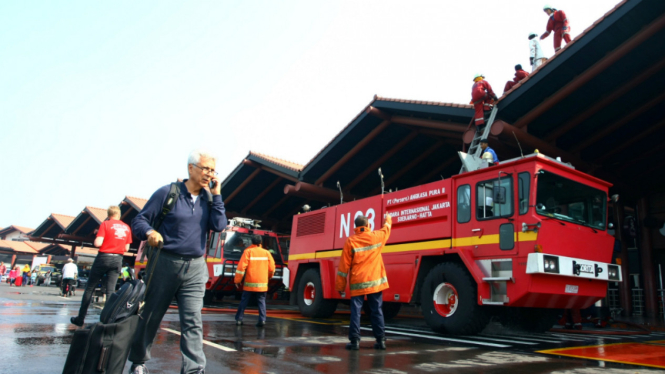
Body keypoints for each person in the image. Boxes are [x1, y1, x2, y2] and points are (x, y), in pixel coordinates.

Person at [129, 149, 227, 374]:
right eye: (206, 169)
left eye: (213, 170)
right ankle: (138, 362)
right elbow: (140, 220)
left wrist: (218, 195)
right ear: (191, 168)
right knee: (151, 315)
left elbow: (220, 225)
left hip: (195, 267)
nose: (209, 174)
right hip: (164, 263)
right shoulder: (167, 193)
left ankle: (194, 369)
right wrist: (150, 232)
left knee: (193, 320)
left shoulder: (209, 200)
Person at [336, 214, 392, 351]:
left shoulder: (350, 241)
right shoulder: (376, 236)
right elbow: (387, 229)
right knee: (376, 310)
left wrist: (340, 286)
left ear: (356, 227)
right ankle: (381, 341)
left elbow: (343, 267)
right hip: (375, 282)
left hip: (357, 283)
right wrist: (387, 219)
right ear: (368, 225)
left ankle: (354, 342)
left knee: (356, 311)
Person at [71, 205, 132, 326]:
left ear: (109, 215)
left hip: (104, 257)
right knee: (110, 290)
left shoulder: (105, 224)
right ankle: (108, 320)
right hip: (117, 259)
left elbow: (97, 243)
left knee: (90, 288)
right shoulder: (126, 227)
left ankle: (80, 318)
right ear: (119, 214)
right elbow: (126, 248)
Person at [234, 235, 276, 327]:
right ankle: (262, 320)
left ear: (252, 242)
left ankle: (239, 319)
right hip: (262, 283)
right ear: (261, 242)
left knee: (244, 301)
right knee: (261, 301)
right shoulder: (266, 253)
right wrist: (268, 276)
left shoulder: (248, 252)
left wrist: (237, 280)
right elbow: (272, 268)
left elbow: (241, 268)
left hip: (249, 283)